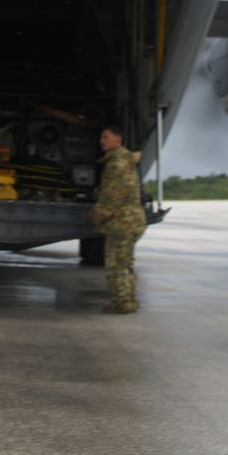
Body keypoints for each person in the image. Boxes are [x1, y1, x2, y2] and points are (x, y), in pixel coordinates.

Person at [88, 126, 147, 314]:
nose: (101, 141)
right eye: (101, 137)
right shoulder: (124, 161)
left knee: (116, 265)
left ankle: (122, 304)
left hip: (121, 223)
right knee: (125, 263)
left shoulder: (117, 164)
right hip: (130, 221)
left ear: (118, 140)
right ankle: (128, 301)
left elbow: (113, 196)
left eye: (105, 137)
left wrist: (96, 216)